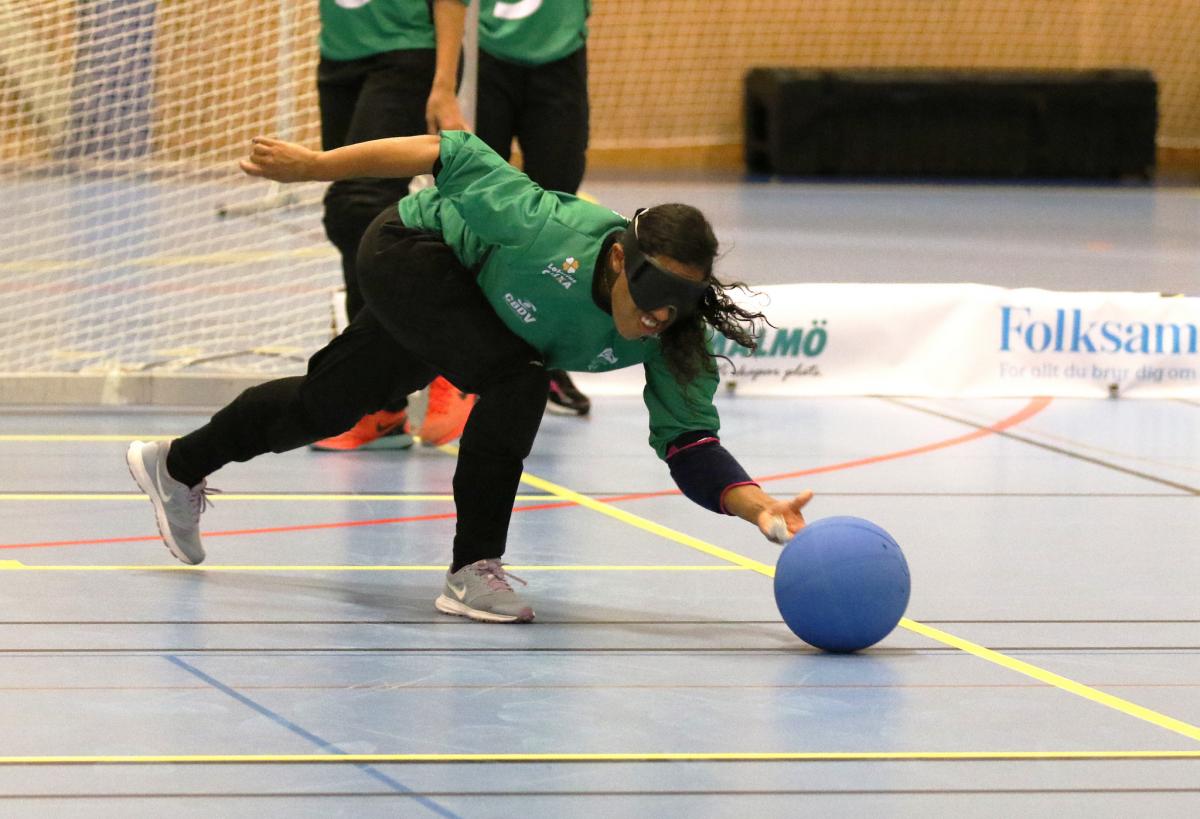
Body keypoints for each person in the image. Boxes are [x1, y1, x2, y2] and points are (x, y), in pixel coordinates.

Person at [126, 130, 814, 624]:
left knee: (326, 404)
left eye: (682, 301)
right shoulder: (545, 230)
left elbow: (690, 443)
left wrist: (760, 509)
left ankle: (177, 464)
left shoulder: (675, 337)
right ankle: (471, 571)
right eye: (655, 289)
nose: (663, 314)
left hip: (475, 307)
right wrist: (314, 168)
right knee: (518, 379)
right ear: (616, 263)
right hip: (414, 250)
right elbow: (443, 149)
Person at [312, 0, 476, 451]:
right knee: (354, 220)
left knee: (357, 204)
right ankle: (381, 405)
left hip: (409, 52)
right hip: (339, 55)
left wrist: (443, 84)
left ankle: (453, 357)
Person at [473, 0, 593, 416]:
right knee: (472, 206)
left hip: (560, 59)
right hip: (482, 58)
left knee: (559, 218)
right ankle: (461, 365)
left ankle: (547, 364)